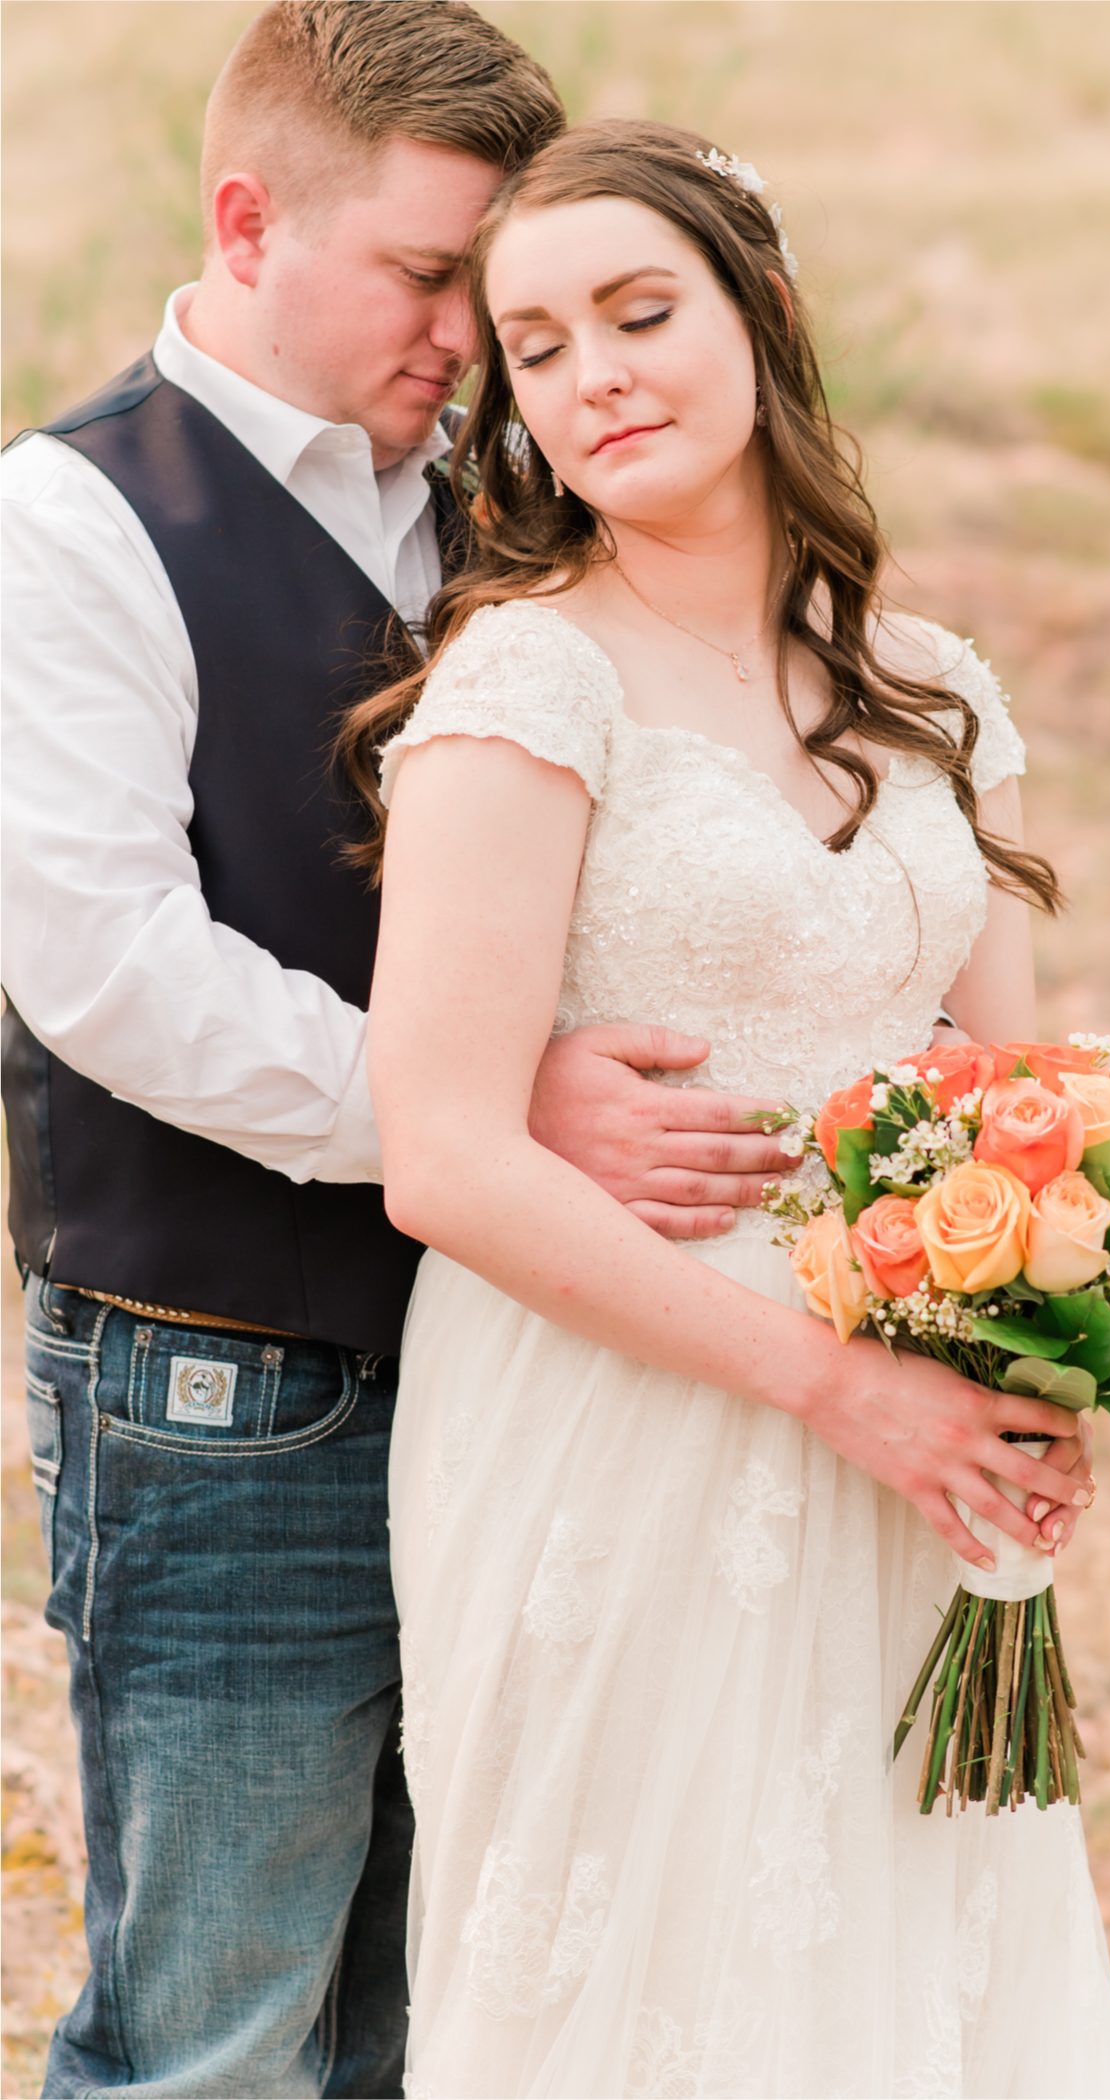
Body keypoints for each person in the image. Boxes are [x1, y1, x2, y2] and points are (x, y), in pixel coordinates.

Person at [1, 11, 792, 2091]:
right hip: (222, 1384)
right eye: (431, 279)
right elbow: (110, 968)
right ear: (247, 221)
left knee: (442, 2013)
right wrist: (480, 1113)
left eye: (491, 291)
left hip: (516, 1370)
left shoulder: (500, 506)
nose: (473, 339)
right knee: (217, 2036)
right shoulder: (74, 524)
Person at [357, 119, 1110, 2097]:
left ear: (765, 315)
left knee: (910, 1964)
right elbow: (443, 1159)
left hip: (907, 1419)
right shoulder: (526, 683)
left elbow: (1013, 1103)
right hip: (619, 1409)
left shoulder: (936, 690)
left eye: (641, 313)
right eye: (538, 348)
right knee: (651, 1979)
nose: (593, 377)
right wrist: (830, 1385)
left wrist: (1043, 1357)